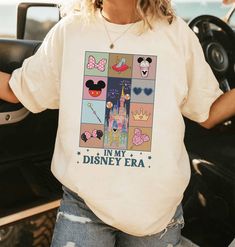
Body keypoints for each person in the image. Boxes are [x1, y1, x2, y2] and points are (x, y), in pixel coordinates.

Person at [0, 0, 235, 246]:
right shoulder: (70, 31)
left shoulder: (176, 34)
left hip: (156, 210)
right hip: (84, 203)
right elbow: (20, 89)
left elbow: (208, 113)